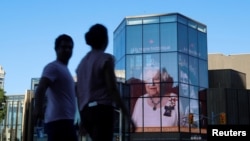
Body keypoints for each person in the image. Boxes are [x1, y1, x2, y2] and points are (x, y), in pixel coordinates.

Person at [76, 23, 135, 141]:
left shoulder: (82, 64)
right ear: (105, 40)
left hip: (86, 113)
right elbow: (112, 88)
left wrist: (82, 118)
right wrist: (127, 114)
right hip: (102, 111)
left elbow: (79, 93)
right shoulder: (105, 59)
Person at [34, 34, 78, 141]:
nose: (67, 50)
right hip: (58, 121)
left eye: (70, 47)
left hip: (67, 120)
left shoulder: (65, 70)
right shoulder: (53, 67)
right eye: (63, 47)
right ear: (56, 49)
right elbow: (41, 88)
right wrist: (38, 110)